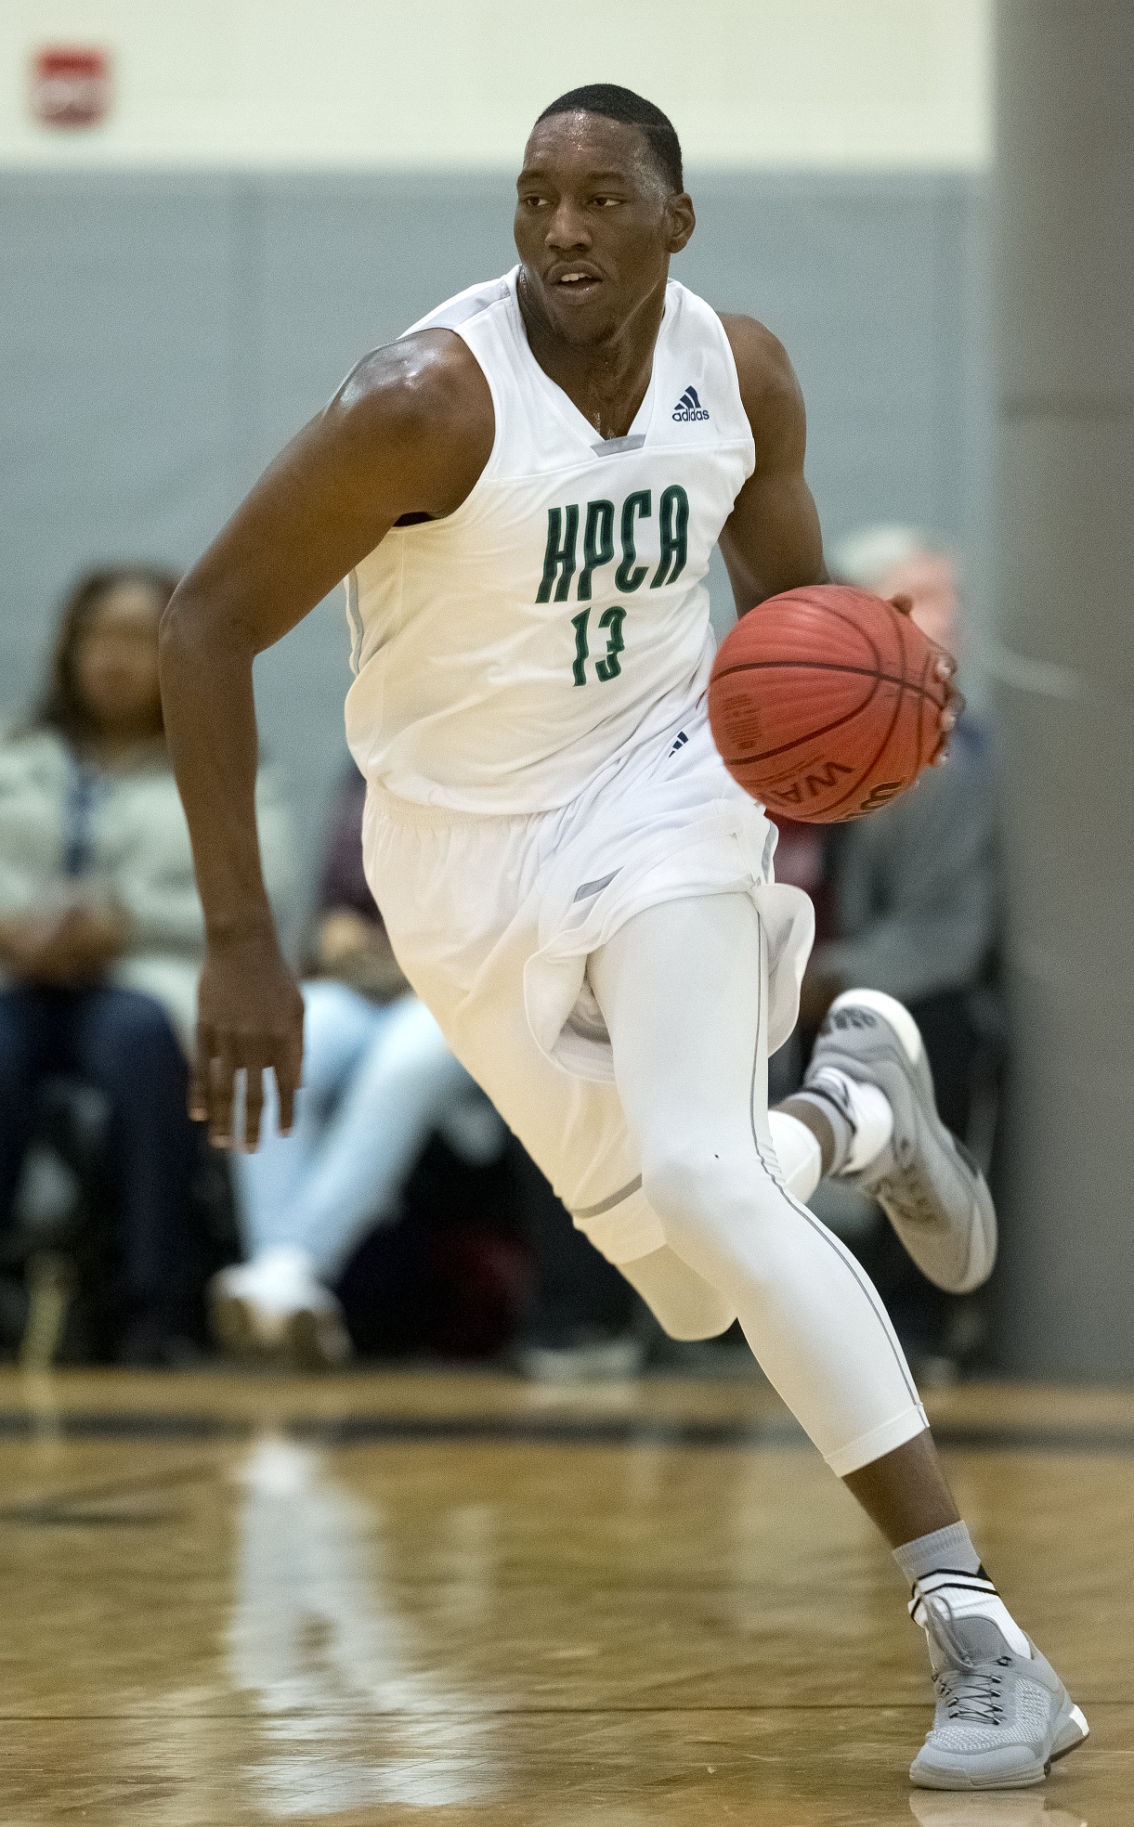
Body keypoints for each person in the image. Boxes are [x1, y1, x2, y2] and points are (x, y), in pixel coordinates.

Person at [158, 87, 1086, 1789]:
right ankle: (853, 1107)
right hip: (457, 860)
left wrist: (873, 702)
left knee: (707, 1183)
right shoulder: (422, 402)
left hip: (664, 793)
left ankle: (979, 1640)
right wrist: (241, 942)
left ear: (676, 219)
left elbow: (798, 618)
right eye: (534, 198)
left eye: (599, 199)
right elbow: (203, 626)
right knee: (682, 1281)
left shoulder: (741, 372)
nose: (562, 230)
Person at [0, 565, 294, 1361]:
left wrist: (123, 921)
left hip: (146, 974)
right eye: (98, 636)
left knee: (139, 1043)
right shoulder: (17, 751)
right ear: (68, 649)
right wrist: (16, 928)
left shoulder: (221, 759)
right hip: (19, 975)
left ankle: (154, 1301)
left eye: (136, 638)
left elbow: (264, 886)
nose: (113, 658)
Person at [213, 767, 502, 1367]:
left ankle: (278, 1278)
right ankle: (290, 1288)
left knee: (403, 1066)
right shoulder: (372, 753)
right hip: (361, 983)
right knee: (266, 1050)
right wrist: (334, 928)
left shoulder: (520, 755)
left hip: (465, 990)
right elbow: (338, 901)